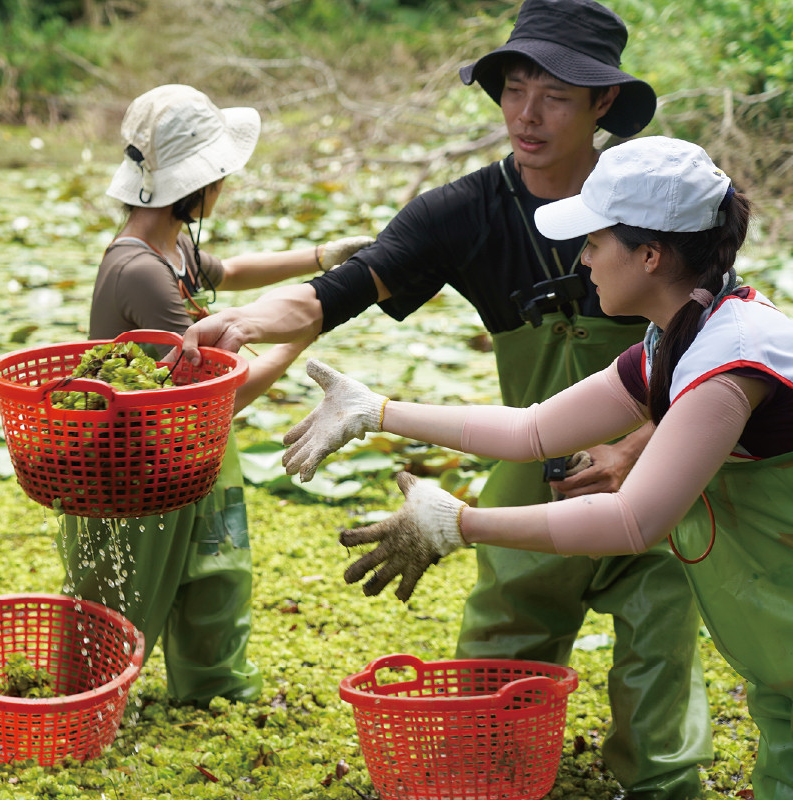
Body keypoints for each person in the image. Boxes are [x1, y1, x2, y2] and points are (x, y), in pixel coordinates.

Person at [178, 1, 714, 795]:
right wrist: (248, 320)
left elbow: (715, 350)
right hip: (533, 459)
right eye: (513, 89)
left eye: (555, 96)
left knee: (660, 663)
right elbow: (339, 291)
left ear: (604, 103)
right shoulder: (462, 209)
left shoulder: (657, 195)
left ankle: (662, 783)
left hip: (664, 457)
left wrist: (635, 448)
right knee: (497, 668)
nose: (526, 115)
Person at [279, 135, 790, 798]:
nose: (583, 259)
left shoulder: (727, 365)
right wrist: (376, 410)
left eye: (594, 241)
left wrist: (462, 524)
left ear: (650, 254)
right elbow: (535, 428)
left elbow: (633, 520)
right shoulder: (679, 338)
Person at [58, 84, 372, 707]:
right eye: (220, 174)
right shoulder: (140, 271)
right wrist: (305, 330)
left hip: (194, 455)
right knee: (120, 599)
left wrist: (319, 258)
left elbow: (230, 272)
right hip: (140, 466)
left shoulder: (171, 244)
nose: (223, 186)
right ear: (196, 187)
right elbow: (213, 399)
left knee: (216, 577)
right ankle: (84, 706)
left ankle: (211, 696)